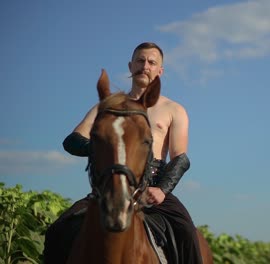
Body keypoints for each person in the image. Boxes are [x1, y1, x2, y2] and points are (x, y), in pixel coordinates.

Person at [43, 42, 202, 264]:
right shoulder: (109, 106)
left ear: (160, 70)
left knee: (187, 232)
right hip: (110, 183)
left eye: (151, 62)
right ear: (130, 65)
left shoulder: (173, 109)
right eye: (140, 60)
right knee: (58, 230)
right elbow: (73, 140)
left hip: (153, 185)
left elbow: (180, 157)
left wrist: (163, 189)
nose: (144, 66)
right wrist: (106, 148)